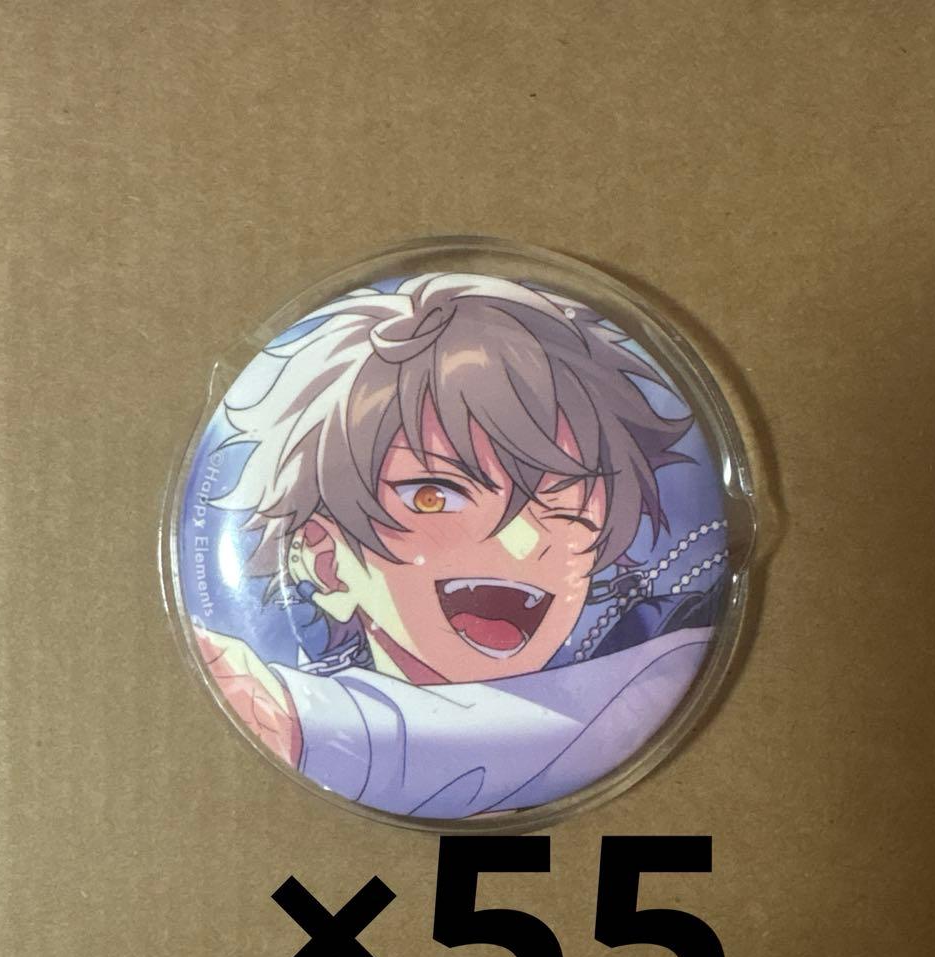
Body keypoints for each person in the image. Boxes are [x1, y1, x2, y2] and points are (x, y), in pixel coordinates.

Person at [194, 272, 715, 817]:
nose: (521, 542)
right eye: (433, 497)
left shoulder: (657, 661)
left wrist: (303, 721)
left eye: (564, 497)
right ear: (329, 564)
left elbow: (563, 727)